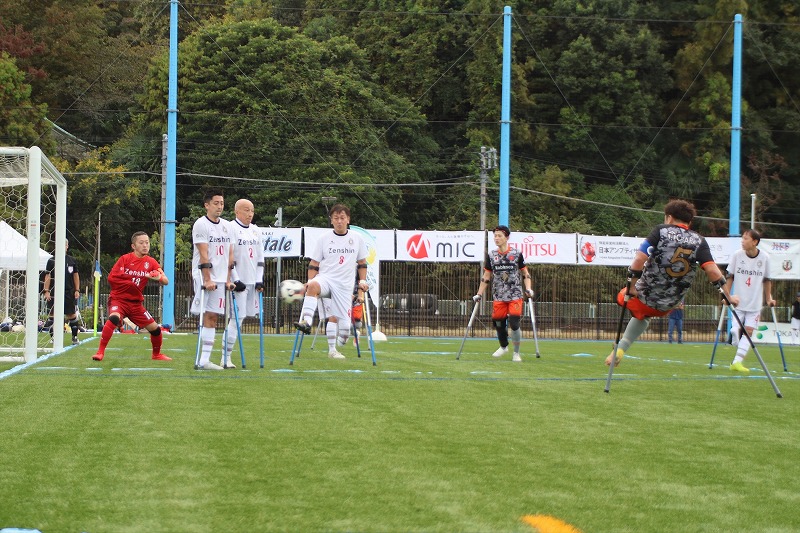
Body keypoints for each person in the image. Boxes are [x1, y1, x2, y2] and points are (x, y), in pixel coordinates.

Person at [605, 199, 728, 367]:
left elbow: (639, 259)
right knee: (644, 316)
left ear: (669, 217)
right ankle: (621, 348)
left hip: (644, 298)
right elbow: (713, 271)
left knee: (624, 298)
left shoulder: (661, 231)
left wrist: (631, 287)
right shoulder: (699, 240)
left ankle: (620, 346)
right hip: (669, 305)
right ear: (689, 221)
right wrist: (727, 296)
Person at [295, 203, 369, 359]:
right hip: (326, 279)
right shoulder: (323, 238)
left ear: (348, 219)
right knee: (313, 286)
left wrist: (362, 281)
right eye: (336, 218)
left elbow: (362, 263)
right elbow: (314, 263)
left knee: (344, 330)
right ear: (331, 220)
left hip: (344, 285)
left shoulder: (357, 238)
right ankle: (307, 323)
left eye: (342, 218)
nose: (339, 221)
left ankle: (341, 341)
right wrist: (309, 281)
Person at [92, 232, 171, 361]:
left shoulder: (151, 262)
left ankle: (156, 355)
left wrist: (159, 278)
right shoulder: (125, 259)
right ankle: (100, 352)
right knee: (114, 317)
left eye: (147, 242)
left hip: (136, 304)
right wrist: (130, 281)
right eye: (141, 243)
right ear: (133, 246)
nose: (145, 245)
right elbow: (112, 278)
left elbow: (166, 280)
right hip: (119, 300)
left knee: (156, 329)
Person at [472, 225, 534, 362]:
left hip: (515, 294)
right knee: (498, 323)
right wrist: (479, 294)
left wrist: (528, 288)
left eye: (499, 236)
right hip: (499, 295)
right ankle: (503, 346)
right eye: (495, 236)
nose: (496, 238)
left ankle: (516, 353)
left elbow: (525, 273)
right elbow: (486, 276)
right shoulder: (491, 255)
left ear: (507, 237)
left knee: (514, 322)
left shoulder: (516, 254)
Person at [191, 190, 235, 370]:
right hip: (205, 275)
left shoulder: (227, 226)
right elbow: (203, 253)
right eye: (216, 203)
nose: (219, 207)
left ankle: (205, 360)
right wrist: (207, 279)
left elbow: (229, 255)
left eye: (222, 203)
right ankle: (203, 360)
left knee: (214, 315)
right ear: (207, 205)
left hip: (220, 277)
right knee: (206, 314)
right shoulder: (201, 224)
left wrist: (228, 279)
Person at [221, 198, 265, 368]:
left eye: (252, 211)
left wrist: (259, 279)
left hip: (253, 282)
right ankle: (225, 357)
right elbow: (229, 257)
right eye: (246, 210)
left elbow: (260, 257)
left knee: (243, 318)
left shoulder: (256, 230)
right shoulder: (231, 228)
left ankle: (227, 356)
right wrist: (236, 279)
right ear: (237, 211)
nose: (250, 214)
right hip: (239, 283)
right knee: (236, 319)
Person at [724, 229, 775, 373]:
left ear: (754, 242)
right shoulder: (737, 255)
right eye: (742, 238)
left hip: (755, 302)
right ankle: (735, 331)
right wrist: (727, 296)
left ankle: (736, 362)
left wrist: (768, 298)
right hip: (738, 300)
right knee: (746, 331)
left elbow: (767, 279)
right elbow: (730, 276)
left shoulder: (764, 257)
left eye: (746, 238)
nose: (742, 241)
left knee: (748, 331)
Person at [42, 239, 81, 344]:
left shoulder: (71, 260)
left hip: (68, 292)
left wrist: (77, 290)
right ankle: (53, 338)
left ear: (67, 246)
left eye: (64, 245)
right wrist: (46, 290)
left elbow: (75, 275)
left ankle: (74, 337)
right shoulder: (51, 261)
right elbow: (48, 275)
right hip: (54, 292)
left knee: (71, 315)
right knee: (53, 315)